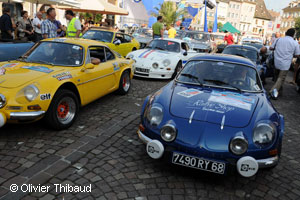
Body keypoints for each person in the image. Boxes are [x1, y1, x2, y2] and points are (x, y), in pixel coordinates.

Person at [269, 28, 300, 99]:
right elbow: (298, 54)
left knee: (277, 79)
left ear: (286, 33)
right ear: (293, 34)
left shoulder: (278, 39)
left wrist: (278, 49)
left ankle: (279, 92)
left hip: (276, 62)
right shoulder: (295, 43)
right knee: (280, 79)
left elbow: (271, 48)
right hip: (285, 64)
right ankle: (272, 92)